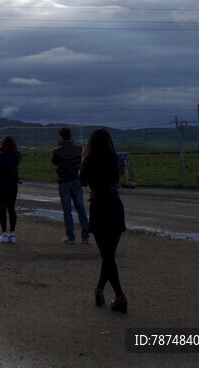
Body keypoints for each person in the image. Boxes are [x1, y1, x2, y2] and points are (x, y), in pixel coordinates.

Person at [80, 128, 128, 313]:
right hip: (115, 204)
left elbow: (81, 179)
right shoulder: (115, 159)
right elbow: (118, 176)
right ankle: (101, 290)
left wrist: (83, 157)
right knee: (109, 255)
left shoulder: (90, 159)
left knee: (107, 255)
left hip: (98, 205)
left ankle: (119, 295)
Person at [52, 127, 89, 244]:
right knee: (81, 209)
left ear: (60, 136)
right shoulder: (78, 148)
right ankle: (85, 236)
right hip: (75, 181)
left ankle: (71, 237)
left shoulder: (57, 151)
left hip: (64, 182)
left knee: (67, 211)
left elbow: (54, 162)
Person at [0, 135, 21, 243]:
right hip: (12, 184)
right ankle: (12, 234)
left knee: (2, 208)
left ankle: (4, 233)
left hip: (0, 184)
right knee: (11, 208)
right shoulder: (17, 155)